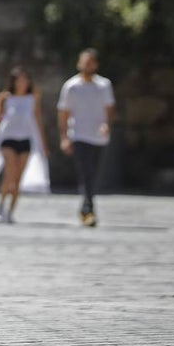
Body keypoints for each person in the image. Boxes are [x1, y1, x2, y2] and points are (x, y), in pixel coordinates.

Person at [0, 66, 49, 223]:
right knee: (9, 172)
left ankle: (10, 210)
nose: (21, 82)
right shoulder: (4, 97)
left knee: (17, 178)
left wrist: (43, 143)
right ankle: (0, 206)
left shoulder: (33, 98)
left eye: (24, 79)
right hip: (8, 139)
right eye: (18, 80)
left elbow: (38, 120)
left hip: (25, 140)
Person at [57, 48, 115, 227]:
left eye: (90, 62)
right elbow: (64, 112)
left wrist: (107, 125)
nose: (86, 66)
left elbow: (109, 108)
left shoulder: (104, 85)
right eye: (84, 62)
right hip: (79, 134)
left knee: (93, 173)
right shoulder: (71, 86)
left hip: (97, 136)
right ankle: (89, 209)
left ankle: (85, 208)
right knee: (85, 172)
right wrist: (64, 137)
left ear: (96, 65)